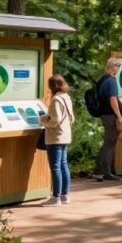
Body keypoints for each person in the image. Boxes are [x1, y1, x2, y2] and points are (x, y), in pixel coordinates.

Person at [39, 74, 75, 206]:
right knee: (64, 165)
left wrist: (43, 121)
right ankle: (65, 195)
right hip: (65, 135)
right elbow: (71, 118)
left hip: (55, 137)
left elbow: (55, 120)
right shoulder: (66, 97)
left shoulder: (56, 99)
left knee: (55, 167)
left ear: (52, 86)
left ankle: (56, 198)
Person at [94, 57, 122, 181]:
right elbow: (113, 99)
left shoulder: (102, 79)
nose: (118, 69)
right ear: (113, 67)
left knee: (108, 141)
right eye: (118, 66)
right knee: (110, 142)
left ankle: (99, 170)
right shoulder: (111, 81)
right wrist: (119, 116)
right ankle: (103, 171)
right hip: (110, 115)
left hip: (103, 114)